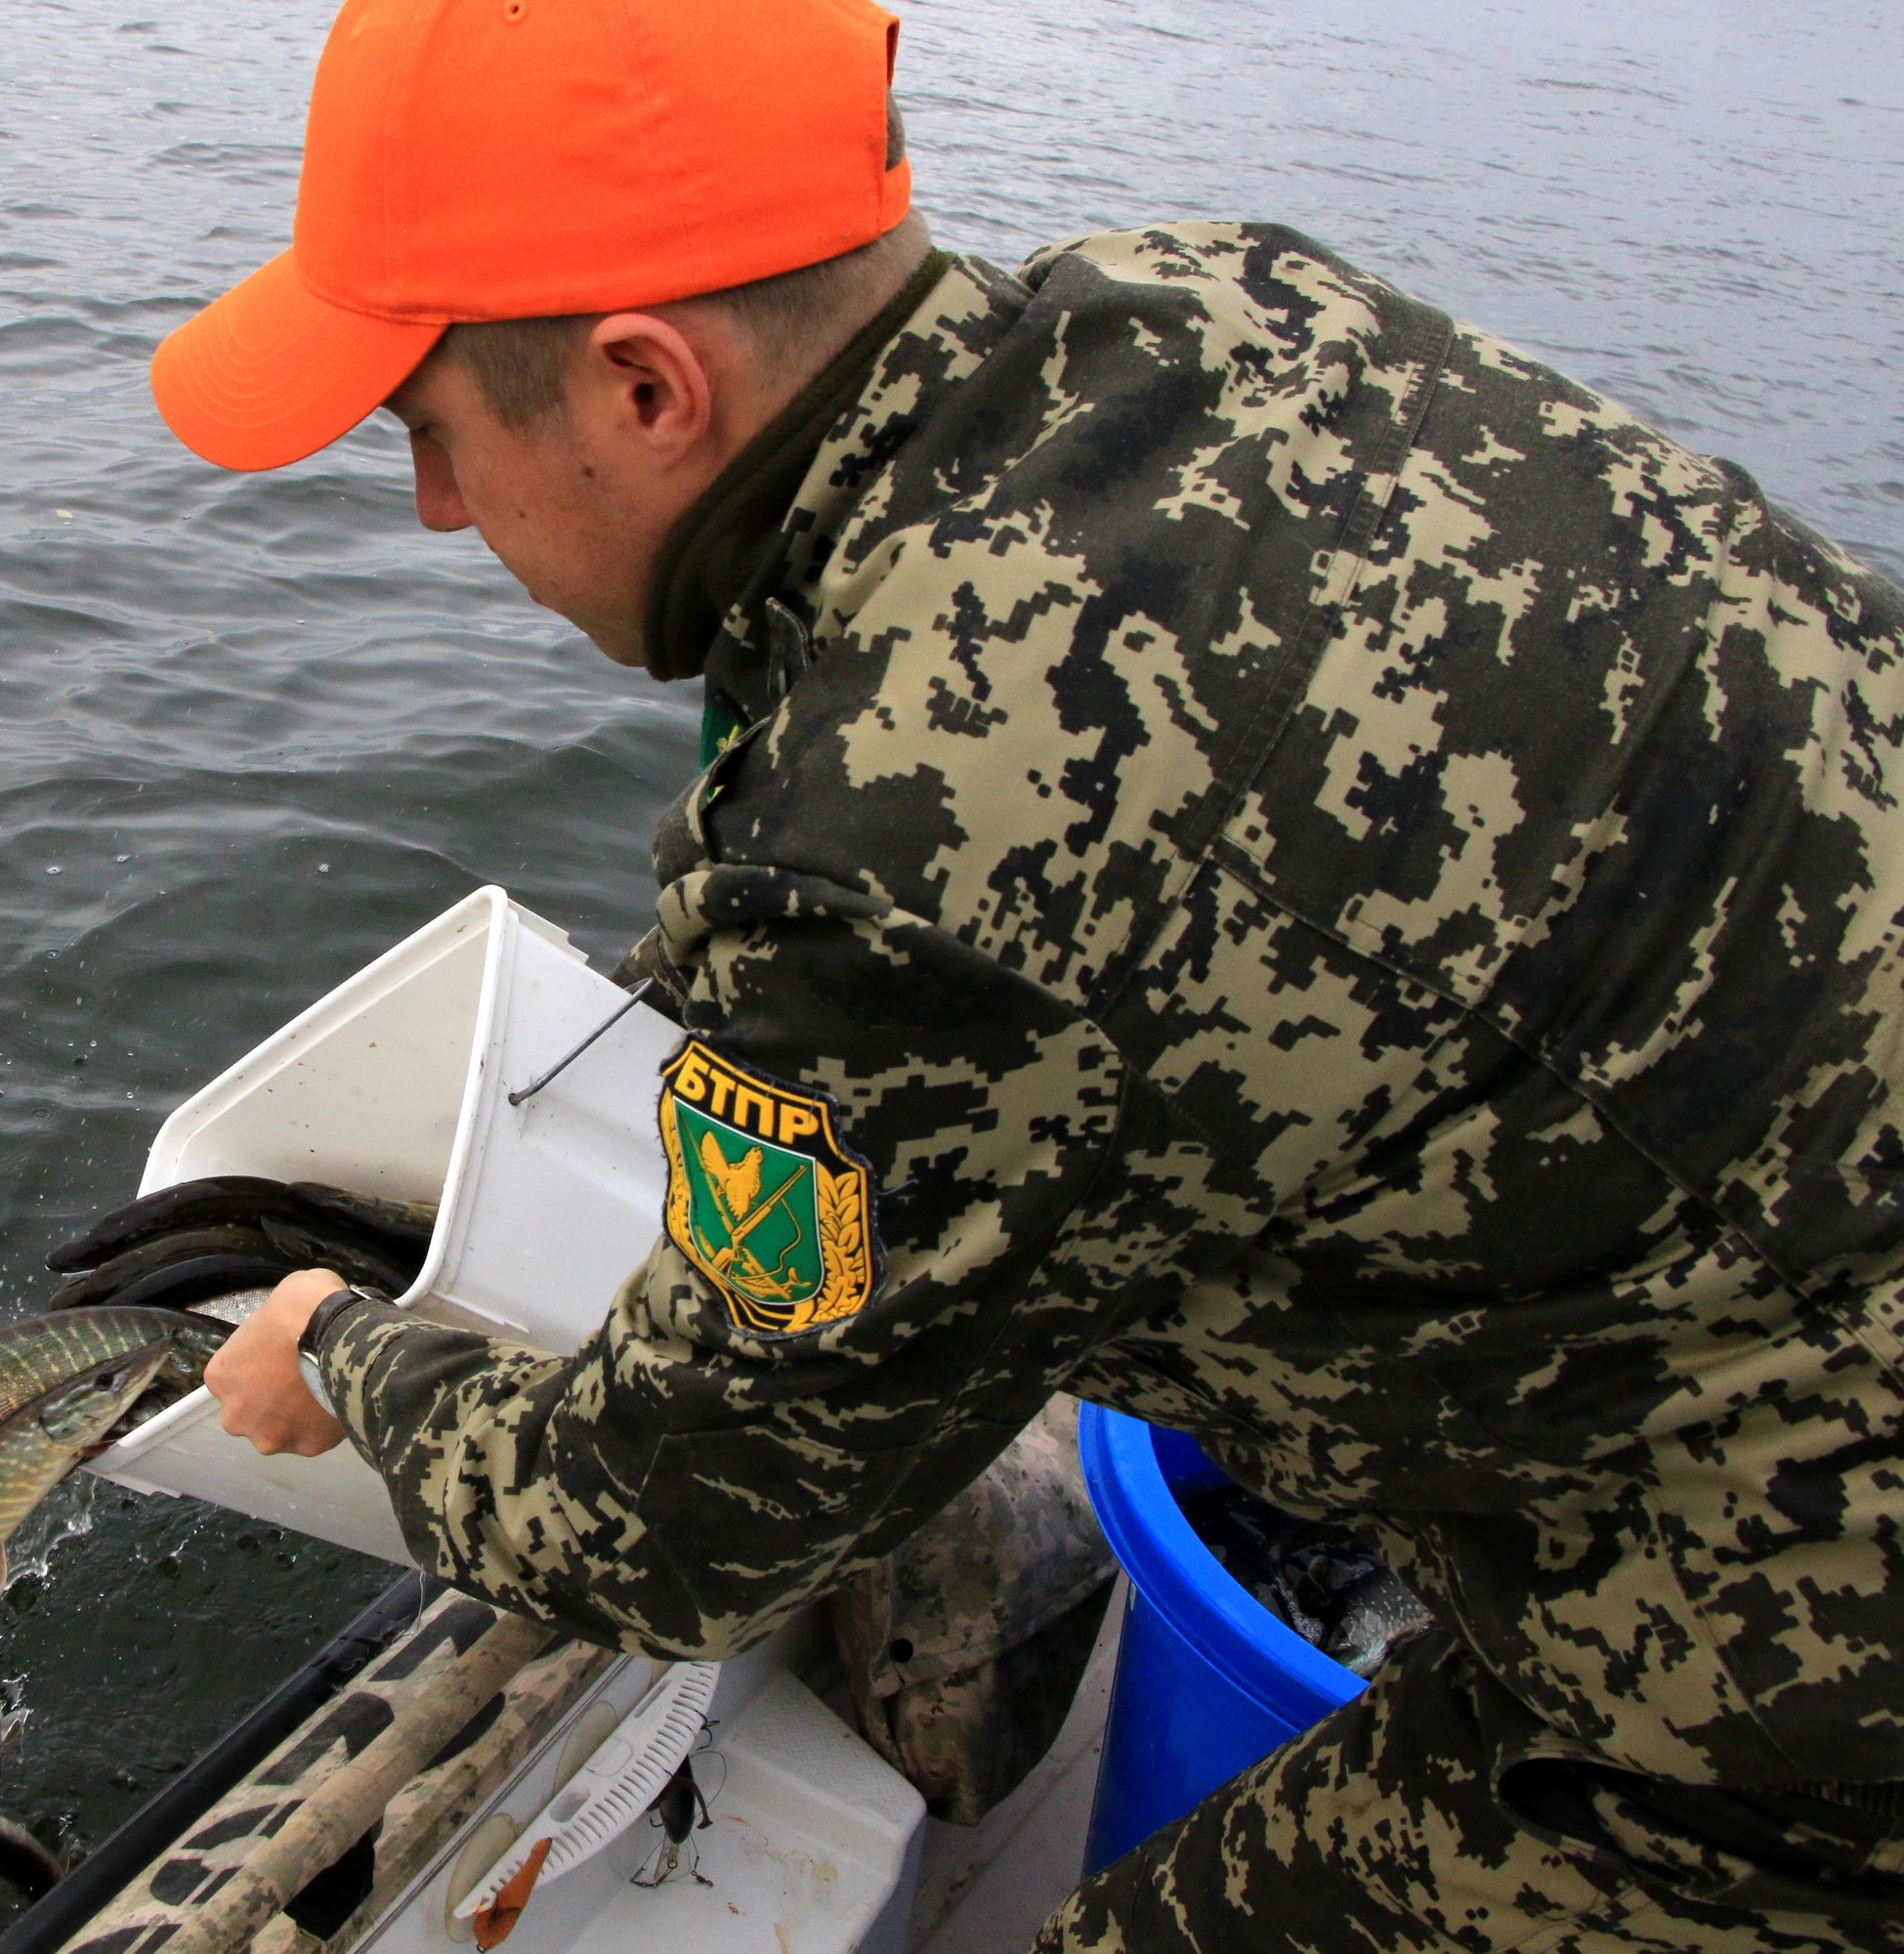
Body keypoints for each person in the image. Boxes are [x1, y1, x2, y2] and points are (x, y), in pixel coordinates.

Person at [157, 0, 1904, 1946]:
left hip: (1816, 1650)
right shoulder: (1214, 304)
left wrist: (340, 1356)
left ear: (646, 387)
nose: (436, 511)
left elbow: (676, 1523)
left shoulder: (890, 871)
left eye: (431, 432)